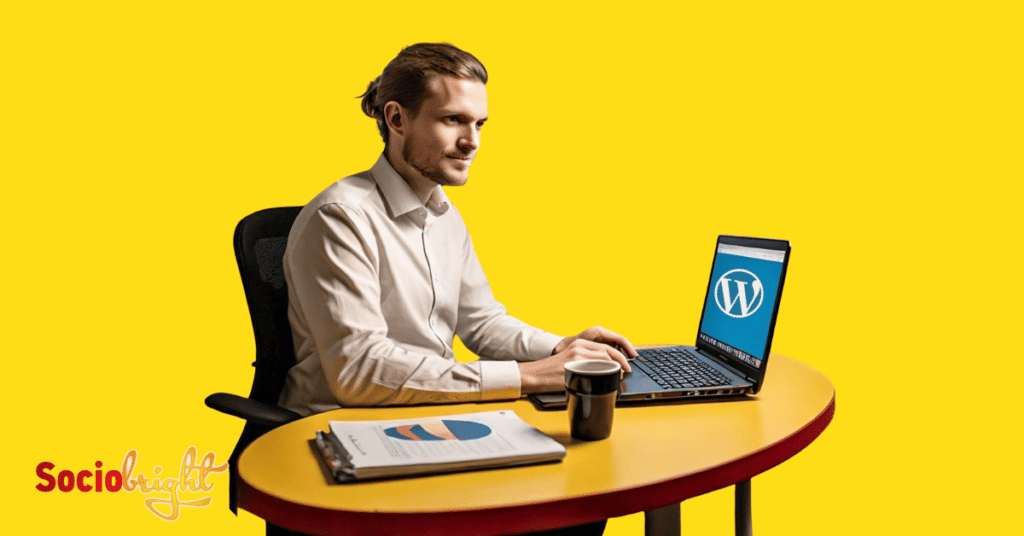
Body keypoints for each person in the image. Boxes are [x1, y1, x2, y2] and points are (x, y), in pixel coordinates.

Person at [279, 41, 635, 415]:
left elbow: (482, 322)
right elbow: (360, 371)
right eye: (453, 120)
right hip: (340, 426)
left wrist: (560, 349)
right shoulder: (341, 217)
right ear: (397, 119)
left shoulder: (443, 213)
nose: (472, 143)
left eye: (479, 124)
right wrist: (527, 376)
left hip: (424, 412)